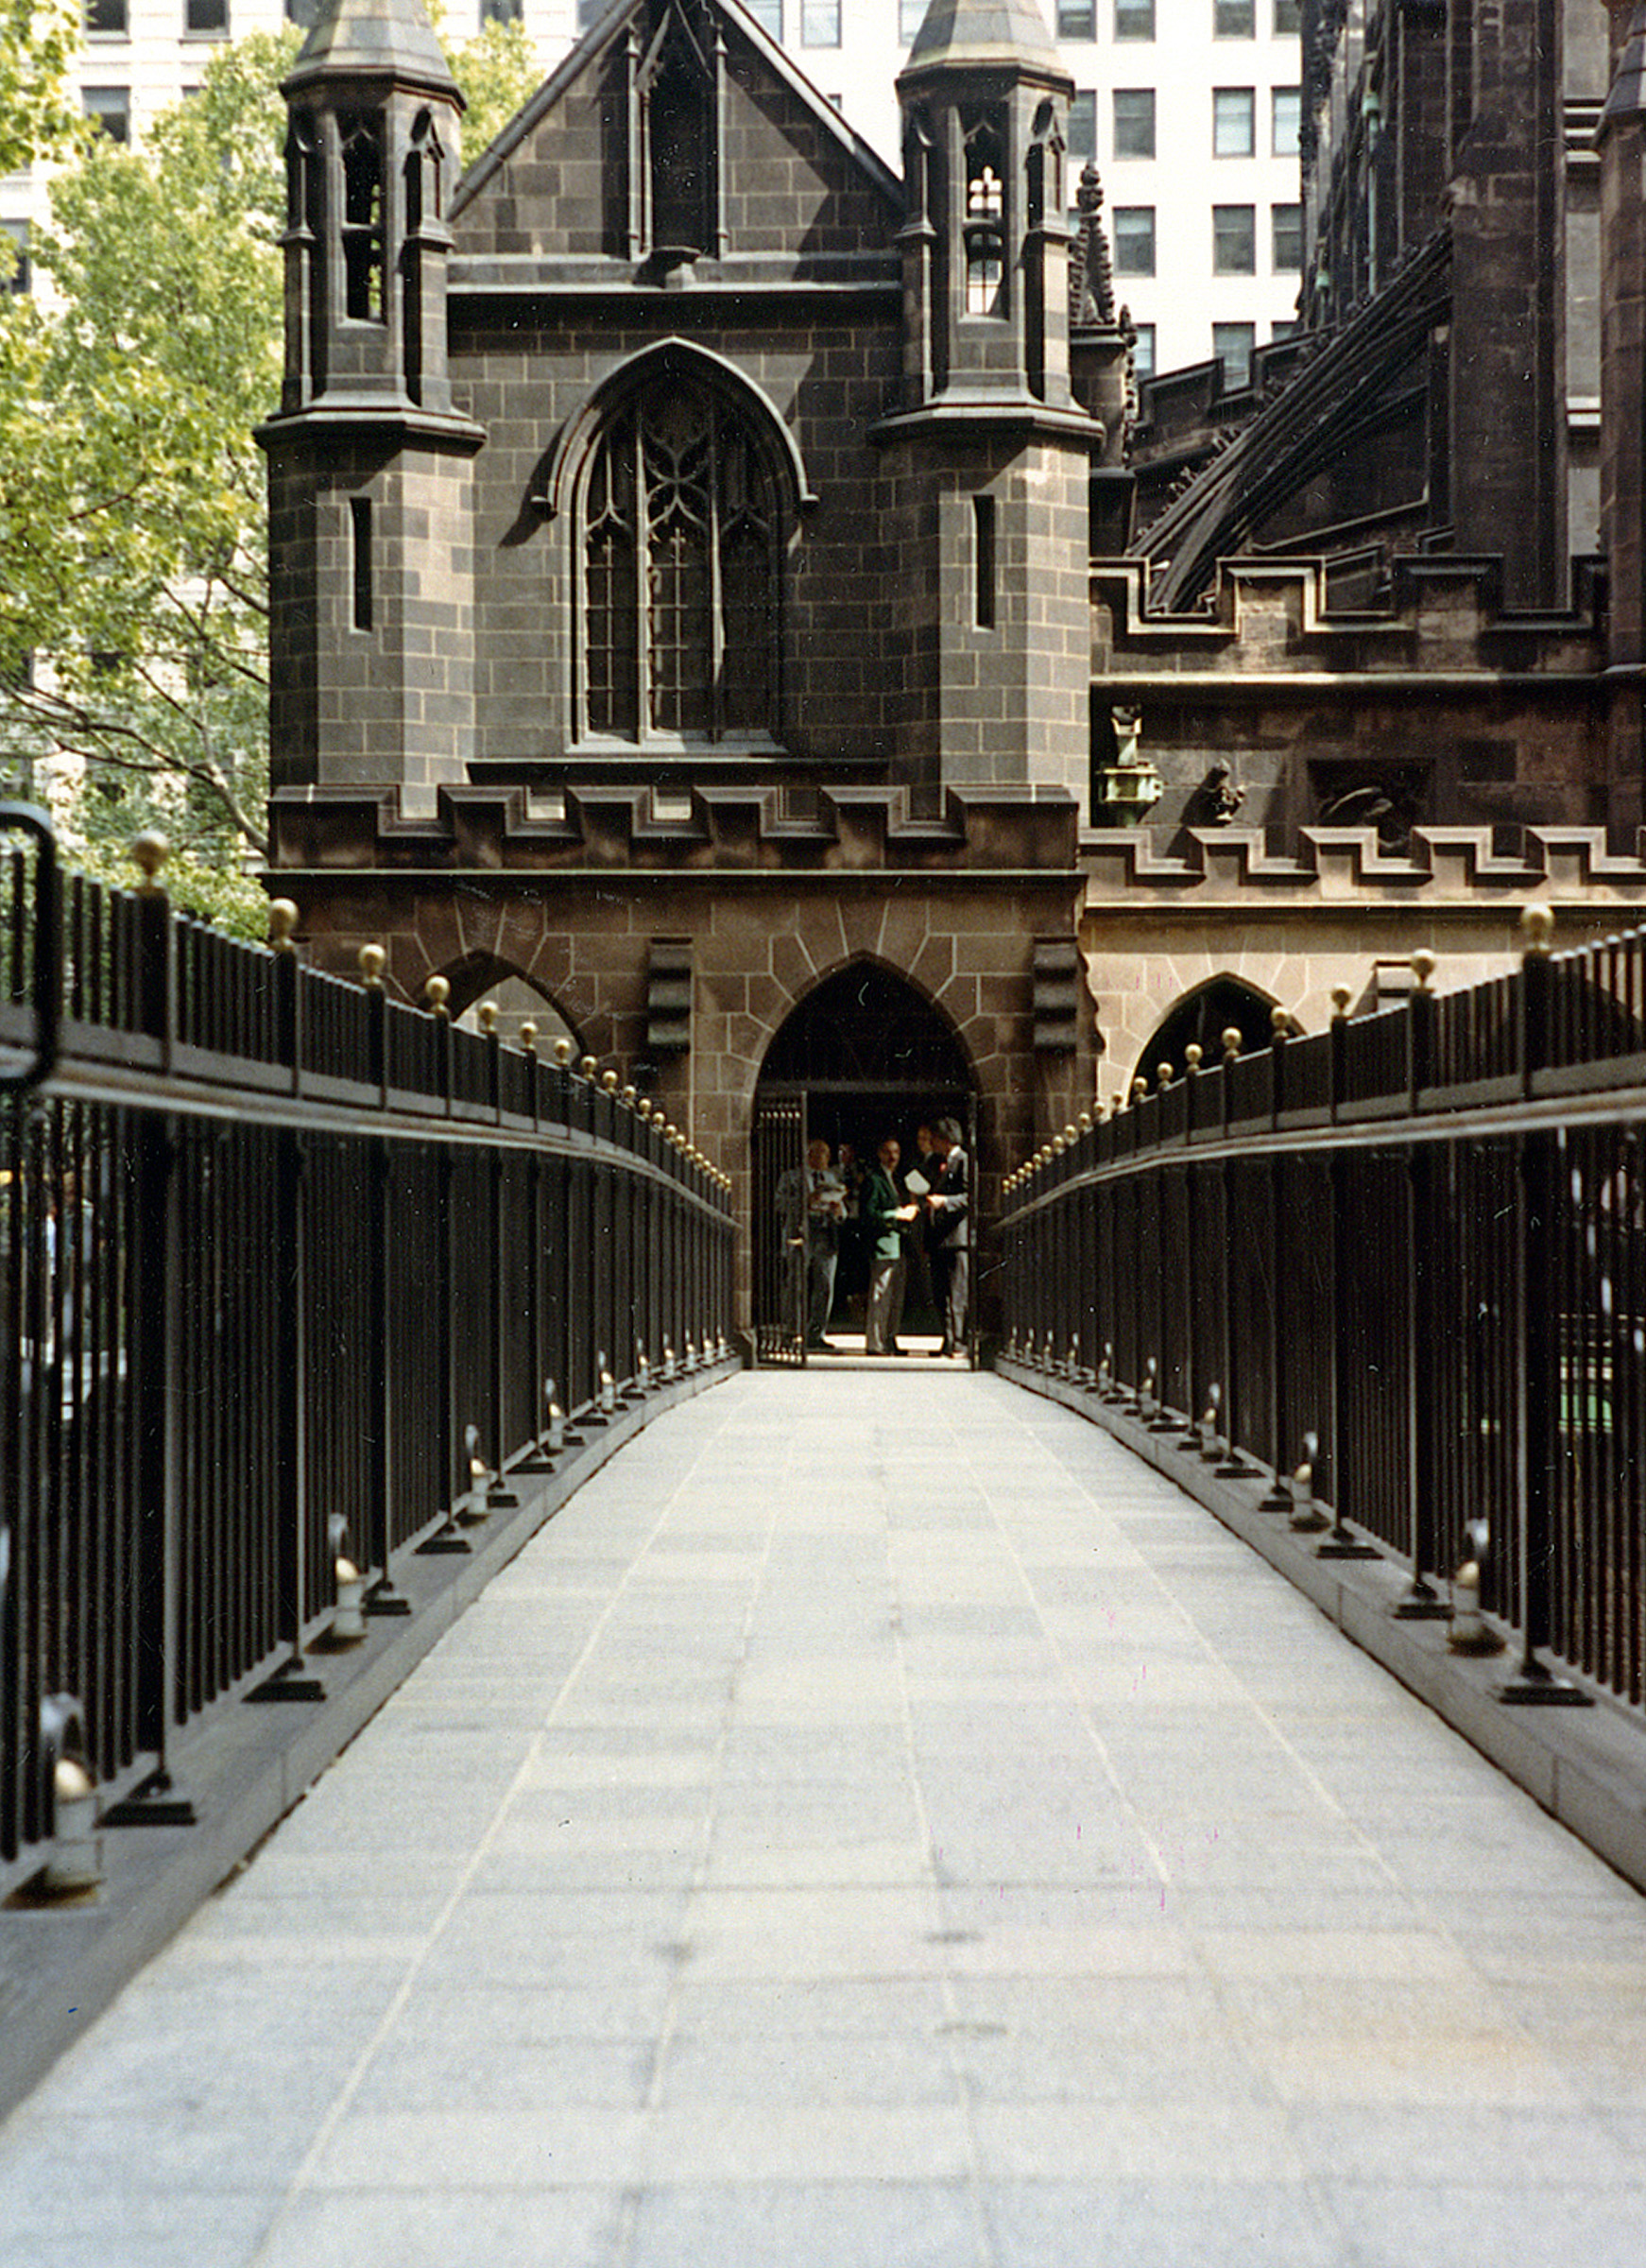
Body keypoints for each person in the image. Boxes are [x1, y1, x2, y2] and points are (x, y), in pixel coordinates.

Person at [775, 1138, 845, 1350]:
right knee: (796, 1283)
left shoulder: (832, 1178)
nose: (824, 1157)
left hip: (826, 1232)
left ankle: (816, 1332)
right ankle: (792, 1331)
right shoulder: (792, 1177)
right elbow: (779, 1203)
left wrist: (838, 1211)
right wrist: (806, 1200)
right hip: (802, 1232)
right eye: (820, 1153)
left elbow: (842, 1209)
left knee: (825, 1284)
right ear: (809, 1155)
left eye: (826, 1153)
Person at [863, 1136, 919, 1355]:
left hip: (899, 1246)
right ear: (879, 1153)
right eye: (888, 1152)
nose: (893, 1157)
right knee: (881, 1297)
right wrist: (897, 1214)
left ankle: (890, 1338)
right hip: (884, 1246)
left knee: (895, 1298)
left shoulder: (895, 1178)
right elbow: (869, 1214)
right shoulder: (874, 1179)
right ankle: (875, 1343)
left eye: (896, 1152)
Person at [920, 1116, 969, 1358]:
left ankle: (958, 1340)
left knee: (956, 1292)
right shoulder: (936, 1163)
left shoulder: (963, 1161)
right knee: (940, 1293)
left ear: (945, 1139)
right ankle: (947, 1337)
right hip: (938, 1238)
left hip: (955, 1237)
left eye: (934, 1139)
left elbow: (970, 1196)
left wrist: (945, 1202)